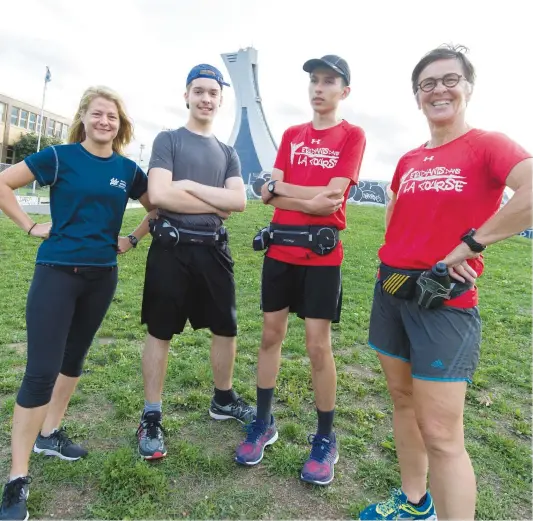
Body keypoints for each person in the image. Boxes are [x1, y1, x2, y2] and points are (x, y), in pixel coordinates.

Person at [359, 44, 532, 521]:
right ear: (418, 96)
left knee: (442, 434)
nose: (439, 89)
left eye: (449, 79)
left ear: (468, 88)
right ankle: (416, 503)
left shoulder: (488, 145)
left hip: (444, 303)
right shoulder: (410, 159)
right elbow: (398, 218)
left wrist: (473, 244)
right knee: (401, 401)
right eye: (428, 83)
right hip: (392, 291)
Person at [0, 86, 155, 520]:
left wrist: (134, 238)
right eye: (98, 114)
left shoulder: (127, 169)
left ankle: (50, 434)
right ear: (84, 117)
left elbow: (155, 206)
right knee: (40, 372)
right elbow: (4, 184)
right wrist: (30, 226)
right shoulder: (58, 157)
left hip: (101, 277)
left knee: (73, 360)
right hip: (55, 274)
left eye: (113, 117)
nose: (106, 122)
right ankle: (17, 478)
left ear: (120, 125)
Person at [234, 55, 366, 486]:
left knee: (316, 346)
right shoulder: (291, 134)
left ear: (344, 91)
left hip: (322, 258)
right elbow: (267, 193)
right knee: (270, 336)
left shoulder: (353, 135)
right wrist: (303, 200)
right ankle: (264, 422)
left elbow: (332, 198)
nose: (319, 88)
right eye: (314, 80)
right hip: (280, 252)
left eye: (329, 81)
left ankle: (326, 438)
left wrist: (290, 193)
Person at [137, 63, 254, 460]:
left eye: (213, 93)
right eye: (199, 91)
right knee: (160, 332)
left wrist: (185, 185)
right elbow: (159, 196)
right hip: (171, 251)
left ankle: (223, 398)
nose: (206, 98)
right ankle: (152, 415)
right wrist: (210, 200)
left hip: (214, 252)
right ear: (186, 95)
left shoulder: (228, 152)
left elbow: (238, 202)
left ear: (221, 99)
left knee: (226, 327)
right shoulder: (168, 140)